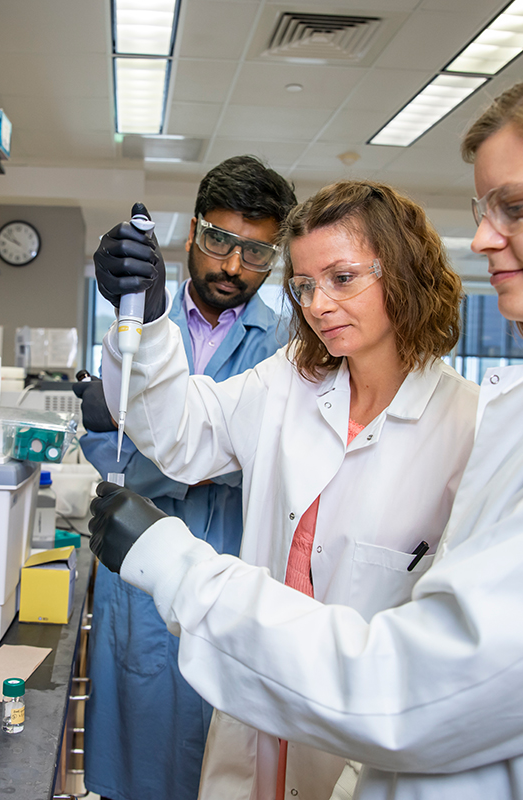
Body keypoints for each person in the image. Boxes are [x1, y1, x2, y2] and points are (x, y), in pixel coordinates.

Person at [87, 42, 523, 800]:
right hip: (276, 726)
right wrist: (137, 327)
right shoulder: (319, 382)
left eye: (520, 205)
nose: (482, 238)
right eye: (304, 285)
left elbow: (420, 689)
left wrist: (171, 562)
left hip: (350, 729)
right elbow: (182, 432)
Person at [92, 177, 478, 799]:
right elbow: (179, 435)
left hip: (359, 745)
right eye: (303, 286)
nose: (318, 304)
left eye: (343, 278)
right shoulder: (289, 381)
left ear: (403, 273)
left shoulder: (468, 428)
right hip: (255, 707)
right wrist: (153, 318)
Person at [75, 155, 296, 800]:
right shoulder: (139, 321)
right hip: (137, 562)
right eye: (221, 241)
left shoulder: (287, 344)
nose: (232, 266)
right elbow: (108, 450)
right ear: (193, 231)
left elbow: (260, 464)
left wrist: (164, 455)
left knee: (219, 752)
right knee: (139, 746)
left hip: (230, 559)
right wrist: (159, 452)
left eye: (256, 254)